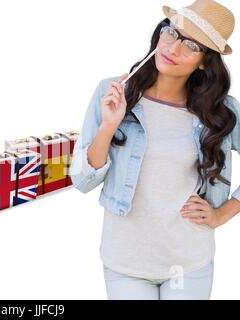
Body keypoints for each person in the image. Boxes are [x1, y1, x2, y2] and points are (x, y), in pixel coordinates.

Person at [70, 0, 240, 300]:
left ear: (204, 61)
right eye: (172, 33)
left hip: (187, 263)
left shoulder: (222, 111)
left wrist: (222, 213)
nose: (173, 48)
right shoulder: (111, 92)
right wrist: (109, 125)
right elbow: (83, 181)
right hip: (126, 262)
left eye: (191, 45)